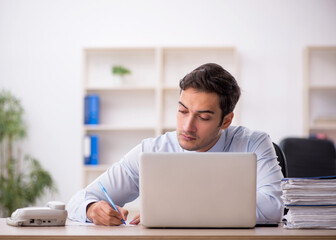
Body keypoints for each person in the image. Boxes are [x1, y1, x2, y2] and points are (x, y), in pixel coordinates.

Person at [67, 63, 284, 226]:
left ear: (226, 120)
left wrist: (179, 209)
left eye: (204, 117)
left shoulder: (253, 143)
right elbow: (78, 200)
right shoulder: (152, 150)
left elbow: (273, 207)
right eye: (182, 111)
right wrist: (92, 209)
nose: (187, 126)